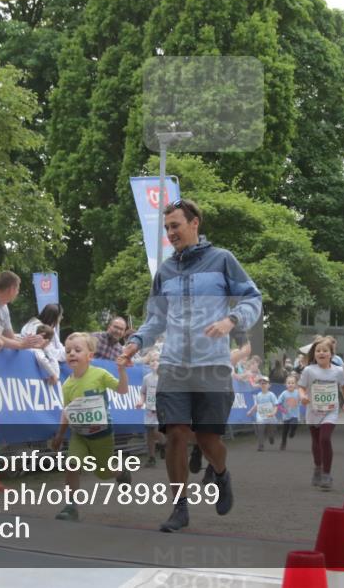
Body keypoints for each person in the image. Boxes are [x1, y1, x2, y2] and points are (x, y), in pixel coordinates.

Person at [118, 198, 262, 533]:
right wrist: (136, 343)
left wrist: (231, 320)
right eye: (167, 228)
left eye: (176, 226)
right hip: (173, 366)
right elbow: (155, 319)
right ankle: (179, 507)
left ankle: (222, 475)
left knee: (209, 441)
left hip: (212, 365)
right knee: (177, 435)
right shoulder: (164, 272)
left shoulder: (222, 260)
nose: (170, 233)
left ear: (194, 224)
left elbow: (253, 298)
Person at [51, 333, 131, 521]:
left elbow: (122, 390)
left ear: (90, 356)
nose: (72, 354)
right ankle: (71, 506)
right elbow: (66, 411)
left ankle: (121, 472)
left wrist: (121, 371)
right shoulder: (67, 385)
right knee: (72, 465)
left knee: (103, 473)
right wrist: (60, 435)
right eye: (68, 350)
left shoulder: (100, 374)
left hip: (102, 433)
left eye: (77, 350)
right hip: (79, 434)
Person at [298, 335, 344, 491]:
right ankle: (317, 468)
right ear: (314, 354)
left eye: (325, 351)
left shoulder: (338, 371)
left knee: (325, 438)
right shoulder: (309, 370)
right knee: (316, 441)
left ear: (331, 354)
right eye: (318, 351)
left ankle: (326, 474)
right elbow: (301, 387)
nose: (321, 353)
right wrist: (303, 396)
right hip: (313, 411)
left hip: (330, 411)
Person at [20, 304, 64, 383]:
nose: (61, 318)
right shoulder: (40, 330)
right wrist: (54, 374)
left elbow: (57, 348)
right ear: (54, 317)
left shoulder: (42, 327)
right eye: (60, 316)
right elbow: (51, 355)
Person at [136, 356, 165, 468]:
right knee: (149, 434)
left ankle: (164, 444)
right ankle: (151, 457)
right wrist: (141, 401)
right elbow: (143, 392)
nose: (154, 362)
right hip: (149, 410)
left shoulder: (164, 378)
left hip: (160, 410)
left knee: (156, 431)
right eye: (152, 360)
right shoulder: (147, 378)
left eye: (157, 360)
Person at [247, 376, 278, 451]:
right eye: (262, 383)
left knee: (271, 432)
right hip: (261, 416)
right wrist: (250, 411)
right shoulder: (258, 395)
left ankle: (271, 437)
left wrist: (273, 413)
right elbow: (256, 405)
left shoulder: (271, 395)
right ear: (260, 385)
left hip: (270, 416)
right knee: (260, 430)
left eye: (265, 383)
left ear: (269, 385)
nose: (263, 384)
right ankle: (261, 445)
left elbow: (276, 406)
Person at [277, 374, 301, 451]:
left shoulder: (297, 392)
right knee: (285, 431)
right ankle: (283, 443)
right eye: (289, 383)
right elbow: (278, 404)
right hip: (286, 416)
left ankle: (292, 432)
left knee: (294, 424)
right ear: (286, 384)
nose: (290, 384)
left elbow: (303, 399)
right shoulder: (284, 393)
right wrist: (282, 410)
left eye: (292, 383)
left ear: (296, 384)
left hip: (295, 415)